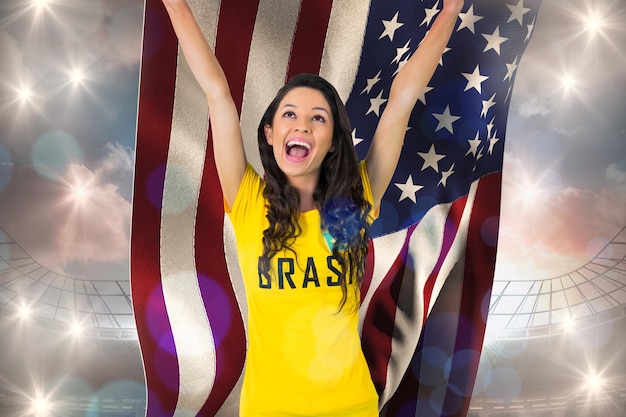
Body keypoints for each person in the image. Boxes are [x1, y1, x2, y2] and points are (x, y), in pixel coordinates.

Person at [161, 0, 463, 415]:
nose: (302, 125)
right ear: (270, 133)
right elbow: (216, 92)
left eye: (318, 118)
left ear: (334, 139)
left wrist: (450, 11)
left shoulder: (355, 201)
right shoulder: (248, 201)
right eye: (290, 114)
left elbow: (402, 99)